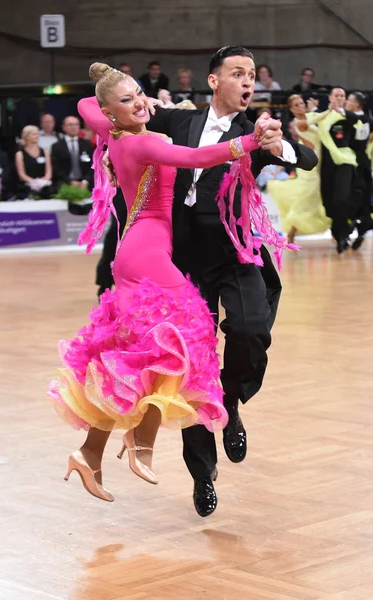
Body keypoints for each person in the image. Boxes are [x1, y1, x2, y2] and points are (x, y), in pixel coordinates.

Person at [87, 45, 317, 516]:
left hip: (236, 254)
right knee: (189, 364)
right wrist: (130, 103)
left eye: (253, 75)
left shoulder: (255, 128)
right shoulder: (175, 120)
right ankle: (202, 474)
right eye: (238, 73)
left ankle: (231, 403)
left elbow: (308, 159)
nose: (249, 81)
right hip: (183, 259)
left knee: (252, 333)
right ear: (215, 81)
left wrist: (276, 144)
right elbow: (91, 107)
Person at [267, 95, 331, 243]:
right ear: (291, 109)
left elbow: (317, 119)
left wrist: (315, 109)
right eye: (296, 105)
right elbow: (316, 120)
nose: (300, 106)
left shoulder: (308, 116)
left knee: (312, 198)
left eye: (302, 103)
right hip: (309, 166)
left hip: (320, 162)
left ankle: (294, 230)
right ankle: (292, 229)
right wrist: (329, 109)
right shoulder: (298, 122)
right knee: (307, 198)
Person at [319, 87, 360, 253]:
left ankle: (343, 234)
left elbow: (359, 121)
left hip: (345, 162)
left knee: (341, 199)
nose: (339, 98)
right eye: (336, 95)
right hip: (327, 164)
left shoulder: (348, 116)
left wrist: (341, 111)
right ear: (330, 97)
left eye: (342, 96)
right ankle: (339, 232)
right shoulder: (321, 116)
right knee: (329, 202)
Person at [345, 92, 373, 250]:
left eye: (349, 100)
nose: (346, 102)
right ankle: (360, 226)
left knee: (351, 195)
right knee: (363, 195)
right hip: (364, 162)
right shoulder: (369, 120)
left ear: (357, 105)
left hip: (351, 161)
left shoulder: (349, 118)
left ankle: (351, 226)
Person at [51, 116, 94, 191]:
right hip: (65, 183)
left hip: (85, 183)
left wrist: (85, 181)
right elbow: (56, 168)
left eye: (76, 124)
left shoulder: (86, 144)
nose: (73, 127)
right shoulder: (57, 146)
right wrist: (69, 182)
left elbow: (92, 165)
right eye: (70, 125)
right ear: (63, 127)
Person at [15, 125, 53, 198]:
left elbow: (49, 172)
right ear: (27, 136)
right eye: (34, 134)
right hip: (27, 187)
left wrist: (42, 182)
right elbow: (21, 174)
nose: (37, 136)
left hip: (44, 186)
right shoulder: (20, 154)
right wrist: (33, 182)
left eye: (37, 134)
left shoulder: (45, 152)